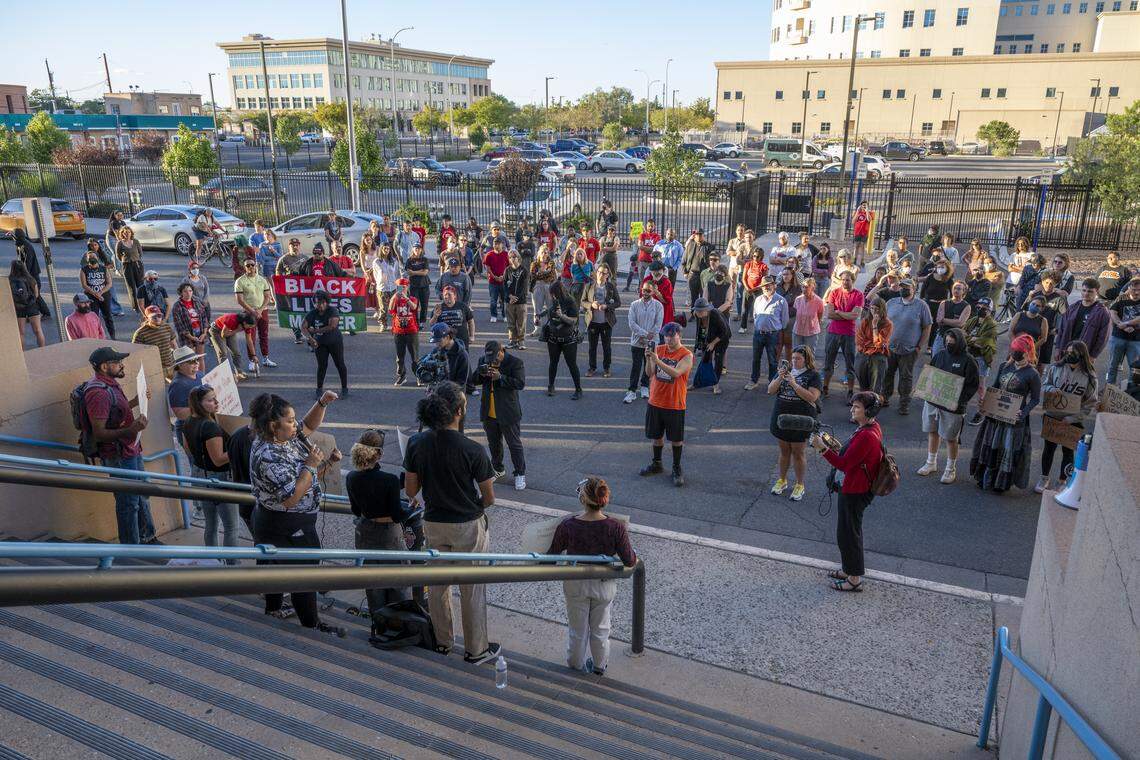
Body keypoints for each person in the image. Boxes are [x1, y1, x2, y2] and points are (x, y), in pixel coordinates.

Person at [403, 381, 502, 664]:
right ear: (458, 411)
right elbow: (489, 497)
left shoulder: (416, 443)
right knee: (472, 589)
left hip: (434, 522)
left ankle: (443, 641)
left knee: (437, 586)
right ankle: (476, 649)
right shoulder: (473, 449)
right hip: (467, 524)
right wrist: (473, 507)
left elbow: (411, 490)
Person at [248, 390, 344, 634]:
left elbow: (307, 426)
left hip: (274, 520)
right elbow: (291, 498)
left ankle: (273, 608)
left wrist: (322, 403)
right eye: (290, 421)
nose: (296, 425)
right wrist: (311, 465)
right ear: (273, 425)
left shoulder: (280, 437)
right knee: (304, 574)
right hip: (287, 523)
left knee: (273, 566)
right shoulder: (269, 456)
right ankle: (311, 625)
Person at [548, 476, 636, 675]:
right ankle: (599, 666)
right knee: (601, 628)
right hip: (603, 583)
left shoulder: (568, 525)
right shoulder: (616, 527)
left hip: (575, 582)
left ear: (583, 499)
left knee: (577, 629)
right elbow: (630, 560)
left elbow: (551, 557)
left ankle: (575, 665)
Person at [810, 391, 884, 593]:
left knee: (850, 534)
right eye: (853, 405)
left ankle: (854, 579)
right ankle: (847, 569)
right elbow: (854, 457)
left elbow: (844, 465)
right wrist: (835, 448)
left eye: (857, 407)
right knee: (845, 532)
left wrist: (822, 449)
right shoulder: (870, 427)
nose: (852, 409)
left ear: (869, 411)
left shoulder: (866, 435)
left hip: (856, 490)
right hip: (855, 487)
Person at [82, 347, 156, 544]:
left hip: (131, 449)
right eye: (117, 362)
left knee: (142, 495)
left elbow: (115, 411)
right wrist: (130, 430)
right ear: (104, 367)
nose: (122, 365)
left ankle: (147, 538)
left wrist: (135, 402)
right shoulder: (98, 393)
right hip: (119, 455)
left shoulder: (110, 385)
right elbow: (100, 433)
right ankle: (131, 548)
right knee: (128, 503)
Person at [346, 428, 419, 618]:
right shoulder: (389, 480)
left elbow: (356, 510)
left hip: (364, 531)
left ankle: (378, 620)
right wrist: (412, 507)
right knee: (399, 579)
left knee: (372, 581)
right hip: (388, 534)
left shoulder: (352, 477)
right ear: (378, 454)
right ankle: (401, 621)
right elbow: (397, 515)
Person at [970, 335, 1041, 493]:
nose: (1016, 354)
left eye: (1019, 351)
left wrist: (1023, 412)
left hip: (1014, 418)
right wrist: (985, 402)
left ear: (1027, 352)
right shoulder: (1004, 366)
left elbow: (1035, 399)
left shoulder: (1033, 374)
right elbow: (995, 386)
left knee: (1006, 448)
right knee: (991, 444)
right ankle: (985, 478)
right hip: (995, 415)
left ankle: (1000, 483)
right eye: (1014, 350)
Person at [916, 327, 980, 485]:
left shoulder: (968, 360)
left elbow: (973, 385)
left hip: (953, 407)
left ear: (960, 342)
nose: (949, 344)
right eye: (947, 342)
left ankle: (950, 468)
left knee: (951, 438)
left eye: (952, 342)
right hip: (933, 402)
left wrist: (959, 400)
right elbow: (930, 374)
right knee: (932, 431)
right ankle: (931, 462)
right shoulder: (940, 355)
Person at [182, 386, 239, 554]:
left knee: (211, 524)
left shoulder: (188, 422)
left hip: (200, 475)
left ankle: (213, 561)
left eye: (215, 398)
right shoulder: (210, 427)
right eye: (210, 400)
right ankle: (232, 565)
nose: (216, 402)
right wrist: (237, 449)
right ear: (199, 404)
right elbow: (218, 459)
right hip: (218, 479)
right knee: (231, 527)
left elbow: (187, 450)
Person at [1036, 341, 1098, 494]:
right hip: (1053, 416)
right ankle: (1044, 478)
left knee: (1068, 451)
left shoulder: (1090, 377)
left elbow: (1090, 403)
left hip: (1072, 420)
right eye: (1067, 352)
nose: (1069, 355)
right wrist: (1051, 388)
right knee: (1048, 449)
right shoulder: (1055, 368)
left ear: (1081, 355)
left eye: (1073, 353)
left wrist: (1071, 419)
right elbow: (1044, 385)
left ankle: (1062, 481)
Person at [640, 322, 693, 486]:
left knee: (676, 439)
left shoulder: (686, 355)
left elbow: (676, 373)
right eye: (666, 336)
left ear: (680, 335)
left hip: (674, 403)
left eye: (672, 336)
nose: (669, 339)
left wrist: (657, 360)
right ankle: (657, 463)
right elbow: (649, 373)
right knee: (656, 436)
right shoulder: (659, 349)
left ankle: (676, 467)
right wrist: (649, 359)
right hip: (655, 401)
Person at [768, 345, 823, 501]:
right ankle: (782, 480)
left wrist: (794, 384)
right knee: (784, 451)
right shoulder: (786, 371)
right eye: (793, 358)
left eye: (798, 358)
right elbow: (770, 390)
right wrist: (780, 377)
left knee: (798, 453)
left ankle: (799, 484)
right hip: (781, 417)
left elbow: (812, 397)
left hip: (801, 420)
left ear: (806, 360)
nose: (794, 361)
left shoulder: (813, 375)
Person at [470, 341, 527, 490]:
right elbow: (473, 381)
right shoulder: (484, 360)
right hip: (489, 411)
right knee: (493, 443)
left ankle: (520, 473)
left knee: (514, 444)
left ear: (502, 351)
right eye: (490, 358)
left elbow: (520, 384)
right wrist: (480, 373)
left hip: (508, 411)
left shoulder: (515, 362)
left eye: (495, 358)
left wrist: (501, 378)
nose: (493, 361)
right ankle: (498, 469)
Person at [883, 279, 932, 415]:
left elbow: (927, 327)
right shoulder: (891, 303)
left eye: (906, 287)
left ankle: (904, 404)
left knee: (905, 377)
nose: (903, 289)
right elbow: (882, 321)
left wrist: (919, 347)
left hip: (909, 350)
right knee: (887, 374)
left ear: (914, 289)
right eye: (901, 287)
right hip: (890, 348)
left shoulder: (921, 306)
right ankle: (884, 398)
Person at [823, 270, 864, 402]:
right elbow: (830, 314)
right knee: (828, 362)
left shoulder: (858, 295)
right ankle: (825, 388)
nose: (845, 282)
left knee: (850, 364)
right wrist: (846, 315)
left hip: (849, 334)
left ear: (853, 280)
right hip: (833, 332)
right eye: (843, 280)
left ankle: (850, 391)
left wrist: (839, 312)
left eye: (848, 280)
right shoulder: (834, 292)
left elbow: (855, 315)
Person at [302, 291, 349, 398]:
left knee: (340, 364)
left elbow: (332, 326)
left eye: (323, 302)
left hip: (335, 342)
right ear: (314, 303)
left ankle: (344, 388)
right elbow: (303, 327)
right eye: (318, 303)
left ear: (327, 302)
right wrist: (309, 338)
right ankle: (319, 389)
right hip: (320, 343)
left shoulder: (333, 311)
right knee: (322, 366)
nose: (321, 305)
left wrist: (314, 331)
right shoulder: (312, 313)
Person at [745, 275, 788, 389]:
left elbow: (784, 321)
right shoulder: (758, 299)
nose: (766, 287)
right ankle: (754, 380)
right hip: (758, 334)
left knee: (772, 360)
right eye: (764, 286)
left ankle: (772, 383)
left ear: (774, 285)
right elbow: (755, 315)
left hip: (773, 335)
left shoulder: (781, 300)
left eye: (769, 285)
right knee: (756, 359)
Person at [234, 259, 277, 372]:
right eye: (248, 265)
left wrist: (261, 309)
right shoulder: (240, 281)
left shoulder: (262, 280)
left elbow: (267, 296)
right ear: (244, 267)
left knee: (264, 335)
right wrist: (252, 311)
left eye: (252, 265)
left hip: (263, 310)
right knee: (250, 337)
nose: (250, 267)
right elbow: (240, 300)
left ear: (256, 266)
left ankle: (265, 358)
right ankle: (252, 360)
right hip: (249, 312)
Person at [1052, 278, 1110, 361]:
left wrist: (1093, 355)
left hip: (1085, 353)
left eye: (1090, 291)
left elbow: (1103, 337)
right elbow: (1062, 328)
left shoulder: (1102, 312)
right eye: (1084, 290)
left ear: (1097, 292)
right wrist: (1058, 347)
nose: (1086, 293)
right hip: (1066, 350)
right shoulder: (1073, 308)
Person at [624, 281, 664, 404]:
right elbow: (632, 323)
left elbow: (658, 324)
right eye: (644, 290)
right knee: (636, 366)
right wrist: (644, 335)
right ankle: (632, 390)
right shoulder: (634, 305)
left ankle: (645, 386)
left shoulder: (658, 306)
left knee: (649, 365)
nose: (645, 293)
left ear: (653, 292)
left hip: (652, 341)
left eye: (648, 291)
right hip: (637, 341)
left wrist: (647, 337)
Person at [543, 279, 583, 399]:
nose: (552, 296)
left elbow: (574, 320)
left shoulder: (570, 301)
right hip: (553, 338)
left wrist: (562, 316)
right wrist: (539, 317)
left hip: (568, 339)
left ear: (558, 292)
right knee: (553, 363)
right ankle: (551, 386)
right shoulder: (553, 301)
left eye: (553, 294)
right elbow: (550, 315)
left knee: (572, 364)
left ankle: (578, 389)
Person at [964, 297, 999, 425]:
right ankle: (961, 406)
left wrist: (970, 339)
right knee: (964, 382)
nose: (981, 310)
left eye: (985, 308)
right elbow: (962, 334)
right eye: (979, 307)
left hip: (982, 357)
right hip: (968, 355)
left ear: (990, 310)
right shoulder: (972, 320)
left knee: (980, 386)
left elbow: (984, 343)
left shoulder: (992, 325)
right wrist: (972, 339)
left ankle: (981, 412)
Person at [583, 264, 620, 378]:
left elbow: (618, 302)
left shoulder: (611, 287)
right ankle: (592, 368)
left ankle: (606, 368)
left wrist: (607, 306)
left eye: (604, 273)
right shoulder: (589, 286)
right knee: (592, 347)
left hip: (606, 322)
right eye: (599, 272)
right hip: (593, 322)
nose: (600, 275)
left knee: (606, 347)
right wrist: (591, 304)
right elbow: (583, 301)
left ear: (607, 275)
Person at [855, 299, 892, 399]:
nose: (874, 311)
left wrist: (875, 326)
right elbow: (859, 341)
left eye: (876, 309)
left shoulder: (887, 324)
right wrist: (871, 345)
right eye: (872, 308)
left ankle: (873, 407)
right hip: (863, 354)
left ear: (882, 310)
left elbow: (879, 344)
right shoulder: (865, 321)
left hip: (878, 357)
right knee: (863, 387)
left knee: (875, 389)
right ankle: (863, 406)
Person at [691, 297, 730, 395]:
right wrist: (699, 344)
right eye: (697, 311)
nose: (698, 313)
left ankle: (715, 384)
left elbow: (724, 332)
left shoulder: (715, 315)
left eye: (701, 311)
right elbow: (700, 330)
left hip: (722, 338)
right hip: (709, 337)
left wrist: (713, 343)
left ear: (707, 310)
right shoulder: (697, 314)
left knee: (718, 361)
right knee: (705, 359)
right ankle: (696, 383)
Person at [1106, 276, 1140, 386]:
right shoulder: (1121, 298)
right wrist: (1121, 325)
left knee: (1134, 367)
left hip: (1136, 340)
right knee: (1113, 365)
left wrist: (1126, 323)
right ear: (1129, 288)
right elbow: (1112, 312)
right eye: (1134, 289)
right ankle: (1109, 388)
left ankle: (1131, 390)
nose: (1136, 292)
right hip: (1118, 337)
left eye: (1139, 290)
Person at [919, 252, 954, 350]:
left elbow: (952, 294)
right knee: (924, 323)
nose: (940, 269)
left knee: (935, 326)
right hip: (928, 304)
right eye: (938, 267)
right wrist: (921, 301)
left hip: (940, 305)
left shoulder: (948, 280)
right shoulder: (930, 277)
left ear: (947, 268)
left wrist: (950, 304)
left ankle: (930, 346)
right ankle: (919, 342)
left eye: (942, 267)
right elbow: (923, 290)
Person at [388, 278, 420, 386]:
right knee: (399, 357)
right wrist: (394, 297)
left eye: (403, 287)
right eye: (399, 287)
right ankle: (401, 376)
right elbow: (390, 310)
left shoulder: (412, 298)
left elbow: (414, 307)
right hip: (398, 331)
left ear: (407, 287)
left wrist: (406, 298)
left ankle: (418, 375)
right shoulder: (395, 299)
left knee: (414, 356)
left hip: (411, 331)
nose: (401, 289)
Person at [131, 306, 177, 379]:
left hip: (171, 364)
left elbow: (174, 345)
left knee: (175, 384)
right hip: (155, 368)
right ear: (147, 318)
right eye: (154, 317)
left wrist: (178, 359)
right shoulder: (140, 333)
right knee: (159, 386)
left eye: (159, 316)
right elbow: (135, 352)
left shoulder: (167, 327)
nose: (157, 318)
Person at [80, 247, 116, 339]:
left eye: (93, 256)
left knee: (108, 316)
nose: (92, 258)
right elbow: (84, 285)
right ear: (87, 259)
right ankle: (96, 336)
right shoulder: (83, 270)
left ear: (97, 257)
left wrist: (100, 292)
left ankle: (113, 336)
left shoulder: (103, 268)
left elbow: (109, 283)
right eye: (90, 257)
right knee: (94, 317)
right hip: (91, 297)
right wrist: (95, 294)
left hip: (104, 295)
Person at [8, 260, 45, 348]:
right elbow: (36, 294)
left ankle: (22, 353)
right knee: (38, 330)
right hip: (31, 306)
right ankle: (42, 349)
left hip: (19, 308)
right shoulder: (31, 279)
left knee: (21, 333)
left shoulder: (10, 280)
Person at [209, 311, 256, 380]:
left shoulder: (247, 326)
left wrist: (253, 355)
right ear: (244, 323)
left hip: (230, 330)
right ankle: (224, 376)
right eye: (250, 326)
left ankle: (239, 373)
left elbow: (249, 340)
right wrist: (237, 330)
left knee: (236, 352)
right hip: (217, 330)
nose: (250, 328)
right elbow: (223, 335)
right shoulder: (232, 320)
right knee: (223, 353)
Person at [428, 324, 472, 392]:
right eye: (435, 341)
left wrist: (443, 389)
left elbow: (461, 382)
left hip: (454, 394)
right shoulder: (437, 350)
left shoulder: (462, 355)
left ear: (447, 337)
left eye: (439, 341)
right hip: (439, 391)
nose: (436, 344)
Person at [932, 281, 972, 356]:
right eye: (954, 288)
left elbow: (960, 323)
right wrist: (954, 321)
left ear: (964, 291)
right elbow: (939, 321)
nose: (956, 290)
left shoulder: (966, 306)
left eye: (959, 289)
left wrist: (944, 320)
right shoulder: (944, 303)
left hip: (956, 339)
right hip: (941, 336)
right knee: (935, 356)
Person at [1010, 295, 1050, 367]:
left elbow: (1044, 338)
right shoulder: (1019, 315)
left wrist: (1031, 348)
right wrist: (1016, 344)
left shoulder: (1043, 321)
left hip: (1030, 354)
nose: (1034, 306)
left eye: (1038, 306)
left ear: (1042, 308)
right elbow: (1010, 331)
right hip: (1015, 350)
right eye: (1033, 304)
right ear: (1030, 303)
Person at [171, 282, 210, 355]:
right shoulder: (177, 306)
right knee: (191, 358)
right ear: (181, 293)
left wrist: (204, 333)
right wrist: (191, 337)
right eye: (185, 291)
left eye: (190, 291)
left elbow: (204, 318)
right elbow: (179, 325)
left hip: (200, 333)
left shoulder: (197, 302)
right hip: (187, 336)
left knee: (200, 357)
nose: (188, 293)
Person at [371, 242, 402, 332]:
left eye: (388, 248)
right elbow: (376, 275)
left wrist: (399, 288)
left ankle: (395, 324)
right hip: (382, 288)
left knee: (394, 308)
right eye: (384, 248)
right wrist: (380, 282)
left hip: (393, 287)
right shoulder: (377, 261)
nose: (386, 250)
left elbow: (397, 275)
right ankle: (383, 324)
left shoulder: (394, 261)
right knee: (383, 308)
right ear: (381, 249)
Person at [114, 226, 146, 313]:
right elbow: (118, 256)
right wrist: (126, 260)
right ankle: (135, 306)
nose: (127, 234)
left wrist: (135, 259)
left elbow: (140, 253)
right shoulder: (119, 243)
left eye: (128, 232)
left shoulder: (135, 241)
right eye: (125, 232)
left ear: (131, 233)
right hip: (127, 266)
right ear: (122, 234)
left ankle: (143, 304)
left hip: (137, 264)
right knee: (131, 287)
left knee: (140, 285)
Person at [503, 251, 530, 350]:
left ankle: (521, 341)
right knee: (511, 322)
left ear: (518, 257)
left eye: (514, 257)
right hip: (509, 301)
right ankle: (512, 341)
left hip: (521, 302)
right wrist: (510, 296)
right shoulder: (507, 270)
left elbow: (524, 287)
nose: (512, 259)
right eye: (510, 257)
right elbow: (504, 285)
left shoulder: (524, 270)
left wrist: (516, 297)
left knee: (521, 323)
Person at [738, 247, 769, 333]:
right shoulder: (748, 264)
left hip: (758, 290)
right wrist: (748, 288)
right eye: (754, 256)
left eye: (757, 256)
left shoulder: (764, 266)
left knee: (759, 310)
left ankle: (759, 327)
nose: (755, 258)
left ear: (761, 257)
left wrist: (755, 289)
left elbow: (764, 281)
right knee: (745, 309)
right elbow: (744, 278)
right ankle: (743, 327)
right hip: (748, 289)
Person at [793, 275, 825, 356]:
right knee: (797, 354)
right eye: (803, 287)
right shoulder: (798, 299)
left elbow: (820, 315)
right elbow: (796, 313)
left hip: (811, 332)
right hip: (798, 331)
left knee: (809, 355)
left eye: (807, 287)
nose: (804, 289)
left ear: (813, 288)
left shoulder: (819, 301)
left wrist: (814, 324)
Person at [775, 267, 802, 363]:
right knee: (778, 343)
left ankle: (788, 365)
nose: (785, 276)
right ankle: (774, 365)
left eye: (787, 274)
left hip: (791, 317)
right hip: (778, 318)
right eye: (783, 274)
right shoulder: (778, 287)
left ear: (792, 275)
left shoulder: (798, 288)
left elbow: (798, 304)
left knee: (788, 343)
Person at [681, 227, 714, 306]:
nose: (699, 236)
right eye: (697, 235)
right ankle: (693, 312)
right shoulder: (690, 245)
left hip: (705, 275)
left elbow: (713, 260)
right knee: (693, 297)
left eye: (700, 235)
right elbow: (684, 260)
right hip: (693, 275)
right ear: (694, 236)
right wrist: (685, 272)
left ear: (703, 236)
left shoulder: (709, 246)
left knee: (704, 297)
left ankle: (703, 313)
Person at [483, 237, 510, 323]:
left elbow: (508, 267)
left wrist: (503, 276)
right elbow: (487, 267)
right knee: (493, 300)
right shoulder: (489, 254)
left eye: (498, 244)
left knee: (504, 300)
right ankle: (493, 315)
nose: (496, 245)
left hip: (504, 281)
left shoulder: (506, 254)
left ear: (502, 245)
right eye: (495, 244)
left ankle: (505, 315)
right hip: (493, 281)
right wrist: (494, 276)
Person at [405, 243, 432, 325]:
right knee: (414, 304)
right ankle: (415, 321)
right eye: (415, 248)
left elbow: (425, 272)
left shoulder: (425, 259)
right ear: (413, 249)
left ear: (421, 250)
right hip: (414, 285)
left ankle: (422, 322)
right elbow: (409, 272)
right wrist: (420, 271)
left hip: (424, 285)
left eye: (419, 248)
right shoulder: (409, 260)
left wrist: (414, 272)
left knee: (424, 305)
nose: (417, 250)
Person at [643, 261, 675, 328]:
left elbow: (666, 301)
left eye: (659, 271)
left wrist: (656, 292)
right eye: (654, 271)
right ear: (651, 272)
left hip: (664, 311)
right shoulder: (647, 280)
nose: (656, 273)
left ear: (663, 271)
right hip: (650, 310)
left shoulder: (667, 282)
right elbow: (642, 298)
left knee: (662, 331)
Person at [632, 219, 661, 291]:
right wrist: (652, 249)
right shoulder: (642, 235)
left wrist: (645, 248)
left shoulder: (657, 236)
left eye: (652, 226)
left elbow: (657, 249)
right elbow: (640, 246)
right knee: (642, 281)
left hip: (652, 262)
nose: (650, 227)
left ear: (654, 226)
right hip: (642, 261)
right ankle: (642, 294)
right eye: (649, 226)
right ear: (646, 226)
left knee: (652, 282)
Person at [851, 201, 872, 266]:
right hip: (857, 232)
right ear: (861, 206)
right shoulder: (857, 213)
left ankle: (862, 260)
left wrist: (867, 211)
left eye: (866, 205)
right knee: (856, 246)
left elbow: (869, 220)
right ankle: (854, 259)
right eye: (863, 205)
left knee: (862, 246)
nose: (864, 206)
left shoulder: (869, 213)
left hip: (864, 232)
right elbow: (853, 221)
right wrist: (857, 211)